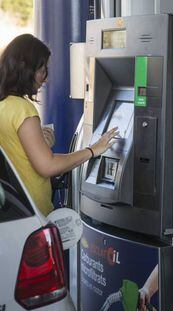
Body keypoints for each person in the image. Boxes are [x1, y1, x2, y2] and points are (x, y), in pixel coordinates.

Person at [0, 34, 118, 216]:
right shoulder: (23, 109)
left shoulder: (4, 104)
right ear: (26, 69)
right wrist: (93, 149)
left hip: (14, 209)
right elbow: (48, 166)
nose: (44, 78)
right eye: (42, 69)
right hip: (33, 214)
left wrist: (40, 144)